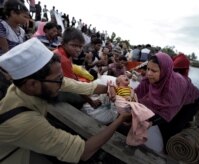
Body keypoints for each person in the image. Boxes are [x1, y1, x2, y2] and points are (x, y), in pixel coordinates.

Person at [0, 38, 131, 164]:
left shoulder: (27, 85)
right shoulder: (25, 123)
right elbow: (83, 151)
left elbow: (85, 87)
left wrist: (112, 89)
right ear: (32, 84)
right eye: (59, 79)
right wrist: (119, 120)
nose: (62, 83)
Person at [134, 52, 199, 150]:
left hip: (191, 101)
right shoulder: (149, 78)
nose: (149, 73)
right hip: (177, 96)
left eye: (154, 70)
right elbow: (137, 93)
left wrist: (151, 122)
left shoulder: (174, 87)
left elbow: (166, 114)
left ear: (164, 71)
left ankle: (167, 151)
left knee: (172, 127)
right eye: (148, 69)